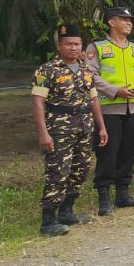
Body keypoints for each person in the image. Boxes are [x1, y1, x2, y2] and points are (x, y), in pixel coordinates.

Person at [31, 24, 109, 236]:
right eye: (68, 44)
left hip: (85, 126)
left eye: (77, 44)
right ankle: (48, 221)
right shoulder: (47, 70)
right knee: (58, 172)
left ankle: (67, 212)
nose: (73, 48)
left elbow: (94, 100)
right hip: (59, 129)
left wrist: (101, 127)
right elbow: (38, 103)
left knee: (80, 170)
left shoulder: (86, 69)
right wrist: (43, 134)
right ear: (59, 46)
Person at [85, 7, 134, 215]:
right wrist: (115, 90)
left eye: (130, 20)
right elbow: (91, 75)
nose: (129, 23)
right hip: (109, 108)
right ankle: (104, 195)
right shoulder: (97, 47)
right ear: (111, 22)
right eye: (124, 19)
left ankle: (123, 193)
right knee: (108, 152)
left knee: (129, 150)